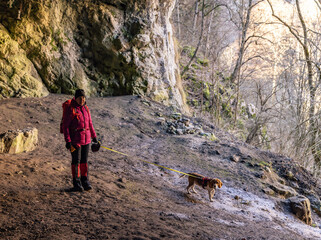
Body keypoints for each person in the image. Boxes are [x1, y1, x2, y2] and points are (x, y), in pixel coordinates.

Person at [62, 89, 98, 191]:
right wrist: (68, 141)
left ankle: (85, 181)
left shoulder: (86, 108)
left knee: (84, 161)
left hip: (86, 140)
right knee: (76, 162)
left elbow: (90, 124)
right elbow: (65, 127)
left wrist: (94, 137)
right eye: (79, 98)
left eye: (83, 98)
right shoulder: (71, 109)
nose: (82, 100)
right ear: (75, 98)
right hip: (75, 141)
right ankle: (76, 183)